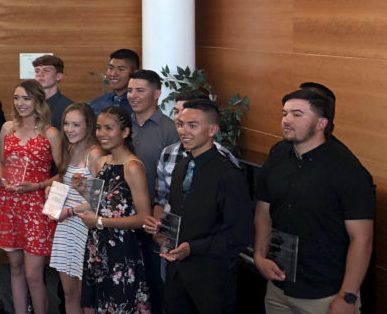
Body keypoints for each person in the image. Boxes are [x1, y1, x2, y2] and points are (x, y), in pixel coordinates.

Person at [254, 89, 374, 313]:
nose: (286, 120)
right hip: (278, 287)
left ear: (321, 123)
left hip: (325, 294)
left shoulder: (348, 170)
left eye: (297, 114)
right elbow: (263, 210)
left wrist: (347, 296)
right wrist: (259, 256)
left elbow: (362, 238)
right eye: (284, 113)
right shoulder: (278, 153)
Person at [142, 99, 252, 314]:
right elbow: (176, 214)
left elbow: (239, 235)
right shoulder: (182, 165)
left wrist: (194, 248)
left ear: (213, 129)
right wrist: (160, 229)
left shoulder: (228, 175)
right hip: (177, 273)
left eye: (193, 125)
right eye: (181, 124)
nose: (184, 131)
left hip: (211, 279)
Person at [0, 81, 61, 314]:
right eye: (17, 98)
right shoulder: (6, 128)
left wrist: (38, 185)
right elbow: (0, 161)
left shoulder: (50, 133)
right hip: (8, 203)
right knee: (15, 268)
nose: (20, 103)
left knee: (33, 274)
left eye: (26, 98)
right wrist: (1, 179)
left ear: (38, 101)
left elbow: (63, 172)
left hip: (36, 205)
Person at [77, 106, 151, 313]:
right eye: (99, 128)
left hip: (121, 248)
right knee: (94, 304)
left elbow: (144, 218)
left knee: (118, 304)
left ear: (125, 132)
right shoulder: (102, 162)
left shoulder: (133, 167)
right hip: (97, 245)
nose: (102, 134)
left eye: (109, 128)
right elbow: (98, 203)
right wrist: (83, 190)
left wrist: (101, 222)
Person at [126, 69, 177, 312]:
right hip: (122, 218)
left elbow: (174, 184)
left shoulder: (170, 130)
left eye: (139, 90)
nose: (132, 95)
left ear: (157, 94)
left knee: (157, 283)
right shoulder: (123, 126)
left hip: (155, 219)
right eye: (129, 90)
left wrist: (160, 221)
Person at [48, 102, 104, 314]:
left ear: (88, 126)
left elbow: (100, 200)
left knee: (86, 297)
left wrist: (70, 211)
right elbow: (64, 185)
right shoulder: (69, 149)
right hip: (65, 227)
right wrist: (52, 195)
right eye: (66, 124)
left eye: (76, 124)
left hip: (84, 227)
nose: (69, 129)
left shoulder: (95, 154)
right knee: (68, 293)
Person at [152, 89, 239, 219]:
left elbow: (234, 221)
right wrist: (158, 227)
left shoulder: (227, 166)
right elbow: (162, 200)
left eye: (192, 123)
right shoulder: (172, 156)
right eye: (177, 112)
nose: (180, 119)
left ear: (212, 129)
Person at [89, 49, 138, 116]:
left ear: (134, 73)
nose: (113, 74)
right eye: (110, 68)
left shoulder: (140, 104)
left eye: (121, 69)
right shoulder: (96, 104)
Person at [32, 55, 74, 129]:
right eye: (37, 71)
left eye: (46, 70)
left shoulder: (69, 107)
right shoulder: (29, 103)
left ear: (58, 76)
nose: (40, 74)